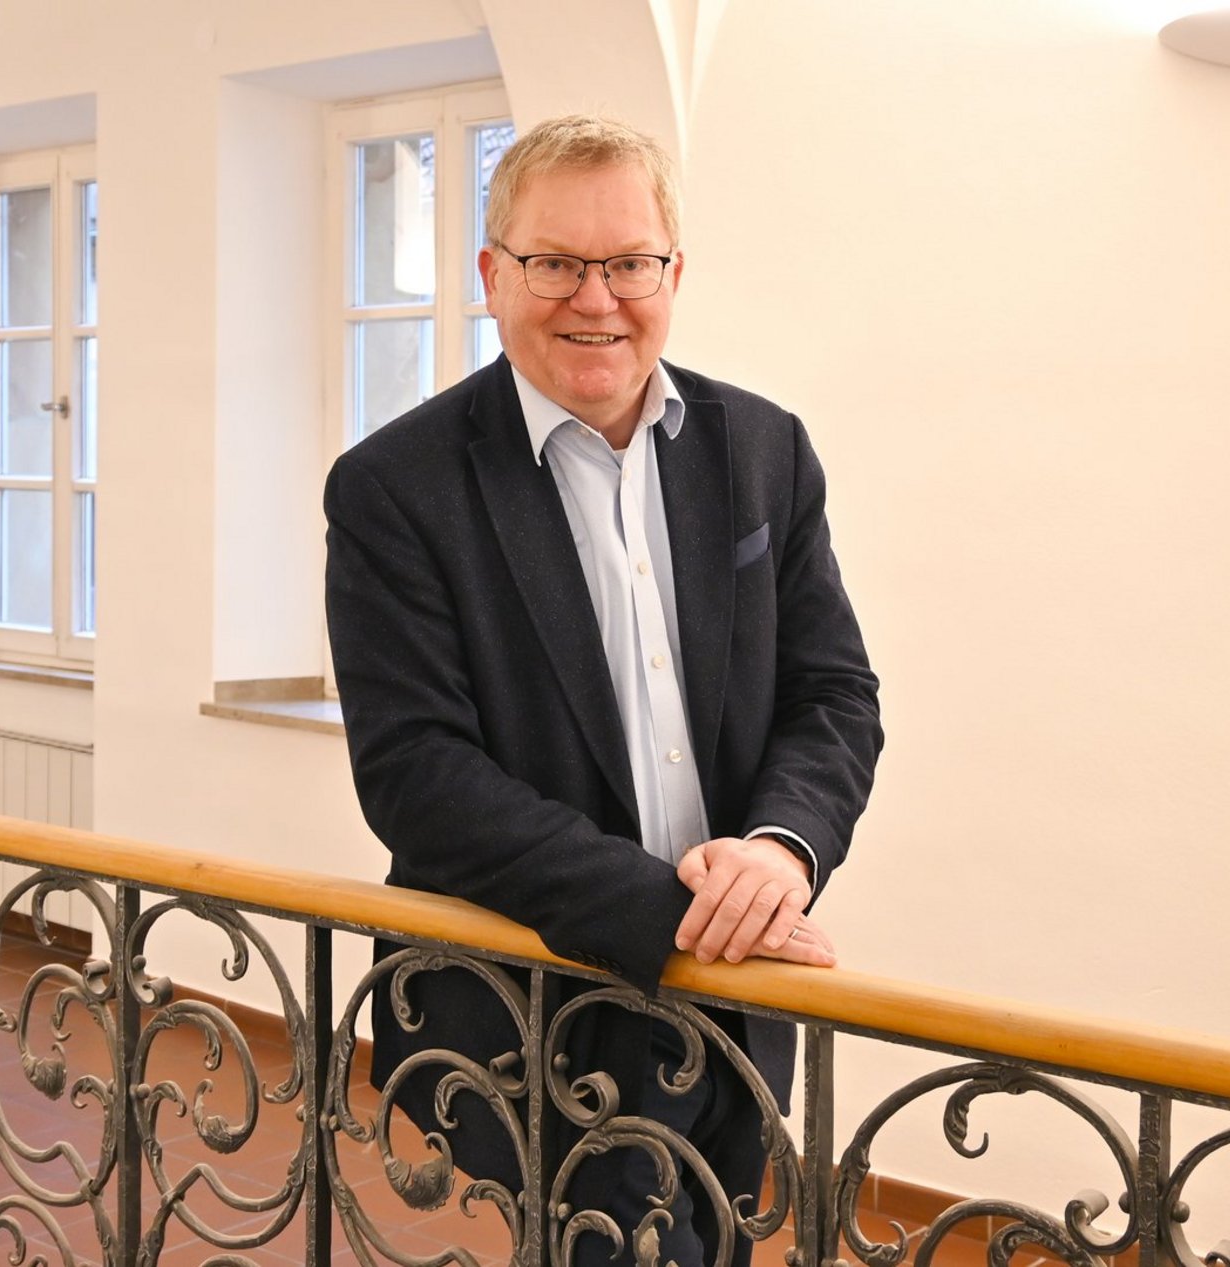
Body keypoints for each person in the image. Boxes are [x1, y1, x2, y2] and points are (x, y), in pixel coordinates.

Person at [324, 114, 881, 1266]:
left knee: (719, 1241)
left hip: (736, 993)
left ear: (673, 273)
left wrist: (779, 851)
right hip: (532, 1001)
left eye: (629, 262)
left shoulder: (764, 448)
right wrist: (671, 913)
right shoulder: (393, 486)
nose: (596, 298)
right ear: (492, 274)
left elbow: (831, 693)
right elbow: (417, 775)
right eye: (554, 263)